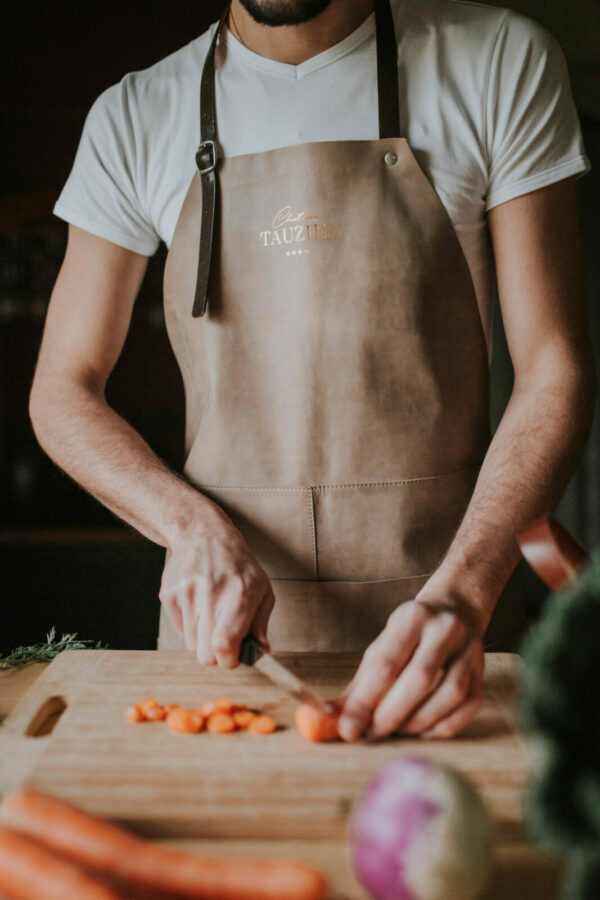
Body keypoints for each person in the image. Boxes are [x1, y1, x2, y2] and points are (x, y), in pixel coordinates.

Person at [30, 0, 594, 742]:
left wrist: (464, 594)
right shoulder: (135, 115)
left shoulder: (499, 61)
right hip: (226, 661)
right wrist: (187, 526)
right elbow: (62, 390)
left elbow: (554, 367)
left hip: (456, 642)